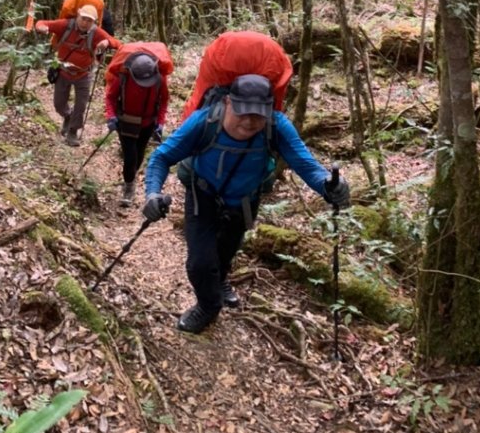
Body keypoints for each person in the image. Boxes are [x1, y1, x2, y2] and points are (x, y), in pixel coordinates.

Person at [143, 72, 350, 334]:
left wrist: (328, 186)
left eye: (259, 114)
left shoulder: (276, 126)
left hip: (244, 201)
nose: (251, 121)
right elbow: (161, 157)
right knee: (199, 263)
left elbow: (305, 164)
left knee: (227, 251)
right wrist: (152, 193)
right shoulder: (205, 121)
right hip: (202, 196)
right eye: (243, 112)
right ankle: (208, 306)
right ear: (228, 103)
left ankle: (220, 281)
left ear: (269, 110)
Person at [35, 5, 120, 147]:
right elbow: (42, 23)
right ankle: (67, 116)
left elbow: (118, 43)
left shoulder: (96, 32)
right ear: (78, 16)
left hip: (84, 74)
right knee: (59, 104)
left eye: (89, 21)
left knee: (80, 105)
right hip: (62, 71)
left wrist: (107, 42)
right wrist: (42, 28)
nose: (85, 23)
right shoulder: (65, 26)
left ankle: (73, 131)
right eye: (83, 19)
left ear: (94, 22)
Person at [104, 43, 172, 207]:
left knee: (139, 153)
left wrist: (160, 123)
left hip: (148, 123)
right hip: (126, 121)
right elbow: (110, 98)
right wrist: (111, 117)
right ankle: (129, 187)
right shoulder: (123, 77)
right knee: (130, 156)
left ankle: (130, 178)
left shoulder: (159, 80)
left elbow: (164, 101)